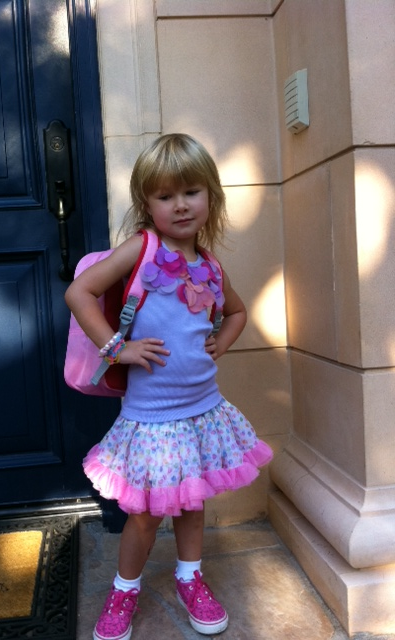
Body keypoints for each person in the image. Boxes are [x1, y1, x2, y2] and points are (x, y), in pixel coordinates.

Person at [65, 133, 273, 640]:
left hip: (202, 409)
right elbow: (80, 292)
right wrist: (117, 347)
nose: (180, 205)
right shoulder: (142, 250)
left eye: (191, 192)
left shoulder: (211, 266)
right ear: (147, 203)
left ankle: (189, 578)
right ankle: (124, 589)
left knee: (192, 503)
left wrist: (220, 343)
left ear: (210, 197)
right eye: (165, 195)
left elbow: (237, 312)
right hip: (152, 417)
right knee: (142, 515)